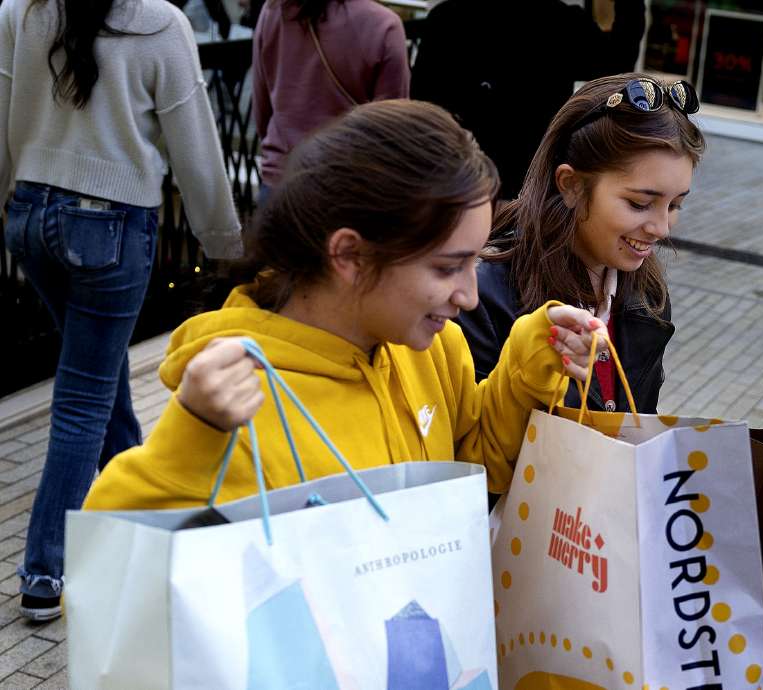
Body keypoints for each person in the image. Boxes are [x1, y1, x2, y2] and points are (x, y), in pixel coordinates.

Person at [84, 101, 606, 512]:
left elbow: (473, 462)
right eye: (448, 267)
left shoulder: (434, 346)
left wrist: (527, 362)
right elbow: (110, 577)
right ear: (350, 255)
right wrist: (192, 439)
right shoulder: (237, 401)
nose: (469, 295)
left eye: (475, 262)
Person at [0, 0, 242, 620]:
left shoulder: (20, 12)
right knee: (82, 395)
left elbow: (5, 118)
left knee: (98, 375)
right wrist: (227, 247)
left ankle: (139, 508)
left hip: (29, 218)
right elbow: (197, 148)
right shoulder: (160, 23)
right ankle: (44, 572)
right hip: (109, 226)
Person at [457, 75, 703, 414]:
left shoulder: (648, 297)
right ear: (571, 185)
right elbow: (470, 443)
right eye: (639, 203)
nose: (661, 228)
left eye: (675, 205)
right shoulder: (484, 296)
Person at [411, 0, 646, 201]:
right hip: (528, 182)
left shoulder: (447, 16)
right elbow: (618, 61)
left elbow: (422, 107)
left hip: (457, 179)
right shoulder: (559, 20)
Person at [252, 0, 409, 196]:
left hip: (281, 180)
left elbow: (262, 110)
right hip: (349, 187)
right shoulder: (384, 25)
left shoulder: (275, 9)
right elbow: (392, 131)